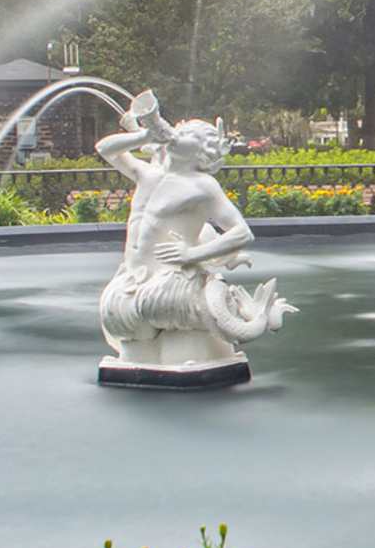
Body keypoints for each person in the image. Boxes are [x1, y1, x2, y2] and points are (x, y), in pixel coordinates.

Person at [94, 92, 286, 362]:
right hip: (131, 279)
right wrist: (144, 137)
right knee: (135, 351)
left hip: (172, 283)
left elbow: (242, 232)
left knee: (182, 350)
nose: (176, 135)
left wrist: (192, 254)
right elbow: (105, 149)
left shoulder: (202, 185)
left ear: (200, 152)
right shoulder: (148, 174)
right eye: (179, 131)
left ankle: (206, 351)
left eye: (188, 135)